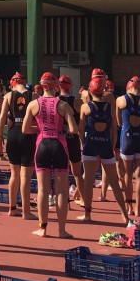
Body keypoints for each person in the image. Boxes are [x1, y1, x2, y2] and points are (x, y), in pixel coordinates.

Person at [22, 72, 78, 239]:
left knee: (42, 189)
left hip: (42, 145)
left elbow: (25, 129)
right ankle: (61, 230)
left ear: (42, 85)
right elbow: (74, 130)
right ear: (56, 86)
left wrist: (39, 129)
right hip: (59, 145)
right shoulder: (63, 105)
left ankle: (43, 228)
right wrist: (63, 129)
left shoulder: (33, 104)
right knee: (61, 190)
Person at [78, 77, 130, 224]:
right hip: (106, 145)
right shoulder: (109, 108)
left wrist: (84, 145)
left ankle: (87, 214)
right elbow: (114, 130)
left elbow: (80, 130)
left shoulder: (85, 107)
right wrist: (111, 146)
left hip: (91, 145)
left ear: (90, 90)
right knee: (114, 182)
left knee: (88, 181)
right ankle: (125, 215)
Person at [0, 73, 37, 219]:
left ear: (13, 83)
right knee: (26, 175)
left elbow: (2, 117)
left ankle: (12, 207)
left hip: (13, 134)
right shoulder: (33, 96)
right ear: (25, 82)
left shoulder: (8, 96)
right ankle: (26, 211)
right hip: (27, 134)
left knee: (14, 174)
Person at [116, 76, 140, 217]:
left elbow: (118, 122)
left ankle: (129, 206)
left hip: (127, 138)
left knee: (128, 174)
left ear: (128, 87)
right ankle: (138, 208)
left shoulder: (120, 100)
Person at [58, 75, 85, 206]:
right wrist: (82, 141)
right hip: (73, 139)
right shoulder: (77, 102)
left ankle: (63, 201)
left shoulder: (55, 101)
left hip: (60, 140)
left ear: (59, 86)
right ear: (71, 86)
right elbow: (82, 125)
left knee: (61, 172)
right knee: (77, 173)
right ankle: (83, 199)